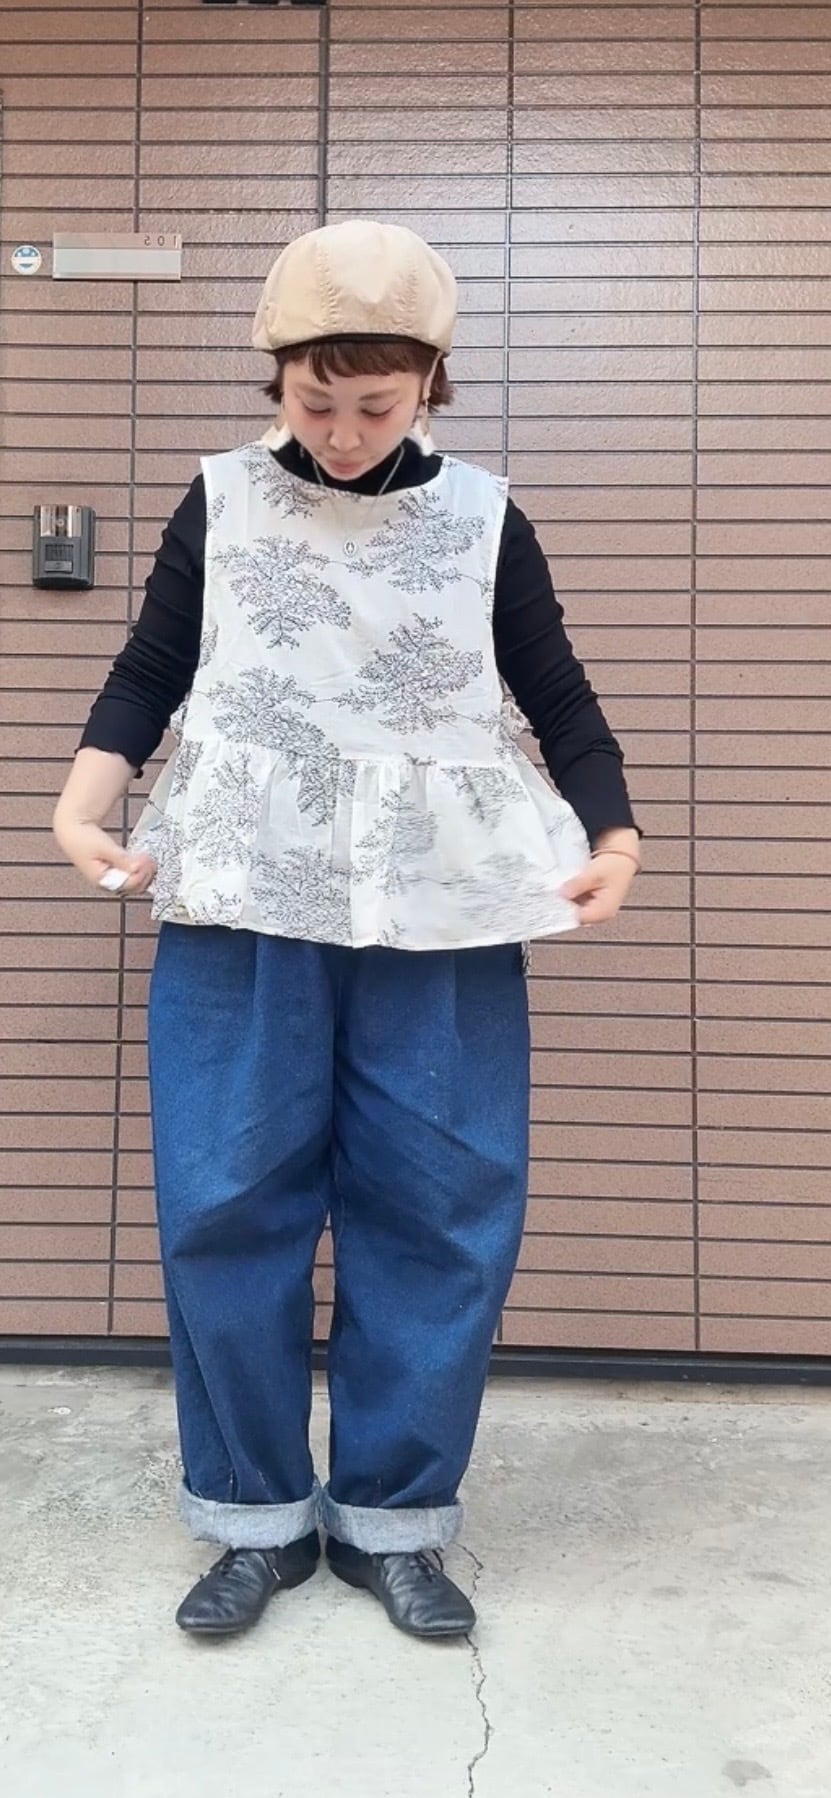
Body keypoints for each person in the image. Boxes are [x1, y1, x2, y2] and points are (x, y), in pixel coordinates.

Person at [53, 220, 641, 1643]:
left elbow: (557, 691)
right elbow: (154, 662)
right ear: (277, 378)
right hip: (244, 892)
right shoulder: (222, 500)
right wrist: (83, 796)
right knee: (224, 1198)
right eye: (315, 400)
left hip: (444, 909)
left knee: (441, 1206)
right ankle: (253, 1515)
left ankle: (395, 1520)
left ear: (432, 379)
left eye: (376, 404)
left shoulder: (486, 518)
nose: (343, 432)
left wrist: (614, 833)